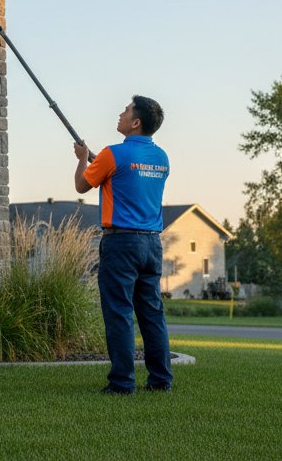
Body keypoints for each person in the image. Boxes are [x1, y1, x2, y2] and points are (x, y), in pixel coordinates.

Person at [73, 96, 173, 395]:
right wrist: (98, 163)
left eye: (126, 111)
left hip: (121, 243)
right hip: (152, 245)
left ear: (136, 122)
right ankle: (160, 381)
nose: (120, 113)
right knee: (152, 313)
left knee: (119, 312)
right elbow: (127, 179)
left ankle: (122, 383)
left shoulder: (111, 154)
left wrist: (82, 158)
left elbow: (81, 186)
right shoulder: (162, 158)